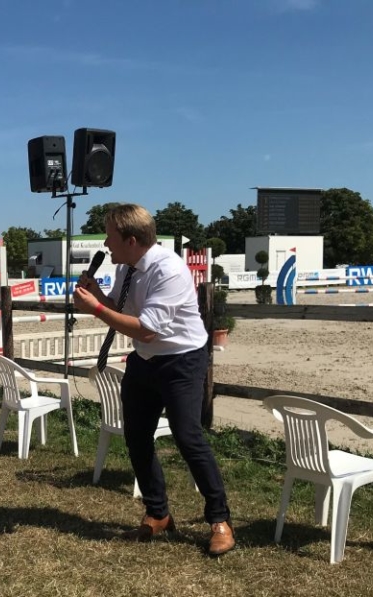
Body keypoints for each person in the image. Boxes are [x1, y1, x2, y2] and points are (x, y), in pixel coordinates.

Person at [73, 203, 235, 556]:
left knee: (188, 436)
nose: (106, 242)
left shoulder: (169, 270)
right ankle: (158, 512)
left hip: (181, 361)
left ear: (131, 240)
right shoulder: (128, 266)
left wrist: (96, 309)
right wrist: (98, 297)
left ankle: (220, 520)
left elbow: (146, 329)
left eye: (110, 236)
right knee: (136, 436)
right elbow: (124, 308)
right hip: (146, 361)